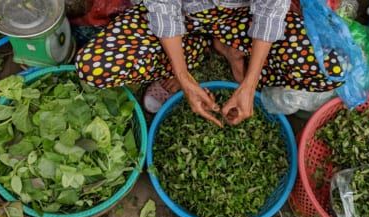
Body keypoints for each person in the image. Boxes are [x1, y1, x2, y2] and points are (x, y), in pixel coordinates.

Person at [76, 0, 344, 126]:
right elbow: (163, 9)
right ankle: (188, 56)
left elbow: (269, 12)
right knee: (94, 66)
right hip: (182, 16)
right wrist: (183, 76)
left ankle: (226, 47)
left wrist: (249, 84)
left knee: (330, 69)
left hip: (238, 17)